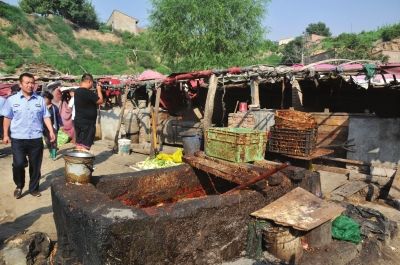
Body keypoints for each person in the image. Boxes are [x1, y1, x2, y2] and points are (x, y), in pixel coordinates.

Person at [1, 73, 55, 199]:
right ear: (20, 84)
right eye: (27, 83)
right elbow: (7, 117)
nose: (30, 85)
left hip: (35, 138)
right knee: (18, 164)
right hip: (18, 138)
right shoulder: (11, 100)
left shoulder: (40, 100)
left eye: (32, 83)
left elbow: (45, 116)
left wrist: (51, 131)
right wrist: (5, 134)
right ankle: (19, 185)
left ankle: (33, 188)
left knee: (35, 165)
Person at [74, 73, 103, 150]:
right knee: (85, 145)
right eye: (92, 83)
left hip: (78, 121)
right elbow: (100, 101)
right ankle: (83, 160)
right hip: (87, 123)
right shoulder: (87, 92)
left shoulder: (77, 91)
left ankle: (77, 159)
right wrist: (99, 90)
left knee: (79, 143)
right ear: (89, 81)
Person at [42, 91, 62, 160]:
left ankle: (53, 155)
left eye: (45, 98)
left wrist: (61, 124)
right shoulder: (42, 107)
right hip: (44, 127)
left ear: (50, 99)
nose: (44, 100)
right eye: (43, 98)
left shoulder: (55, 108)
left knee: (54, 141)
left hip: (54, 127)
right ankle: (51, 151)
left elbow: (58, 117)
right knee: (47, 141)